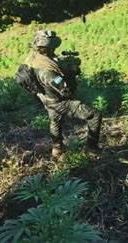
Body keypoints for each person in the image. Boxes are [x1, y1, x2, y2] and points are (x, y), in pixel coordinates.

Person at [24, 30, 101, 159]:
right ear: (48, 47)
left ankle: (57, 149)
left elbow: (53, 65)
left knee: (55, 120)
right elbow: (65, 91)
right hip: (58, 101)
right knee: (94, 115)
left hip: (45, 97)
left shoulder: (35, 58)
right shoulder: (47, 72)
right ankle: (91, 149)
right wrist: (71, 72)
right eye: (53, 47)